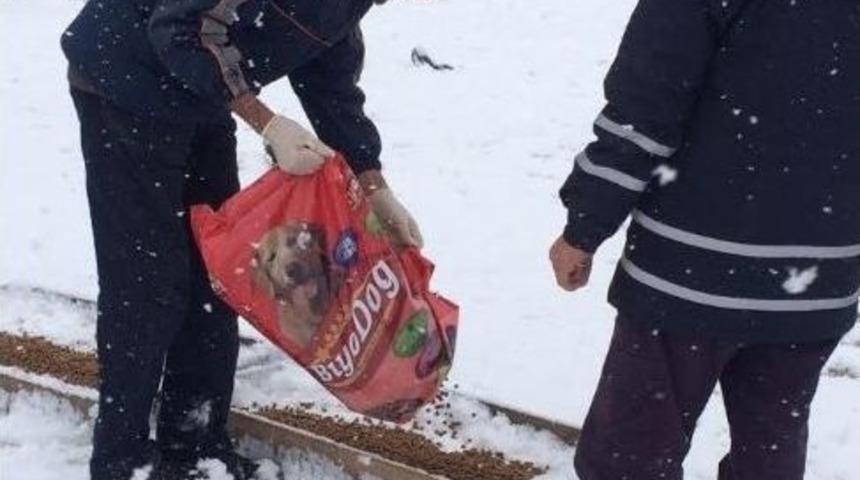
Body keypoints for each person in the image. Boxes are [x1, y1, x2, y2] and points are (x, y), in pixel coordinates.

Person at [61, 1, 422, 478]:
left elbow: (328, 73)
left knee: (216, 277)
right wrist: (266, 122)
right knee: (147, 284)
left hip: (195, 91)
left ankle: (195, 446)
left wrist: (373, 184)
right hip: (126, 79)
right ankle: (122, 460)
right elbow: (181, 26)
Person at [549, 0, 858, 478]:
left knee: (628, 459)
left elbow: (642, 114)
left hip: (689, 274)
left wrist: (584, 227)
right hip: (818, 280)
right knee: (768, 456)